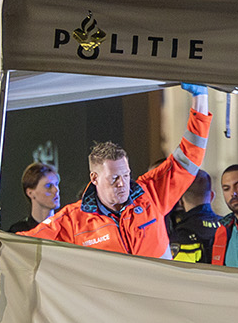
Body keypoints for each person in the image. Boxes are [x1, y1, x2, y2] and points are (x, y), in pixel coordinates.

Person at [24, 85, 213, 256]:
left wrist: (201, 99)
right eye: (114, 178)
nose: (122, 183)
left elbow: (189, 157)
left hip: (158, 293)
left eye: (125, 175)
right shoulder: (73, 220)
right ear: (94, 178)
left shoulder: (151, 194)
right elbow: (23, 245)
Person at [166, 172, 220, 263]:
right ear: (211, 196)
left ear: (180, 198)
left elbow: (178, 272)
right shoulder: (227, 225)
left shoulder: (182, 233)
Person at [6, 161, 60, 233]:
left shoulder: (66, 230)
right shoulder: (18, 232)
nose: (56, 190)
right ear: (30, 193)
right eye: (48, 186)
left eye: (56, 184)